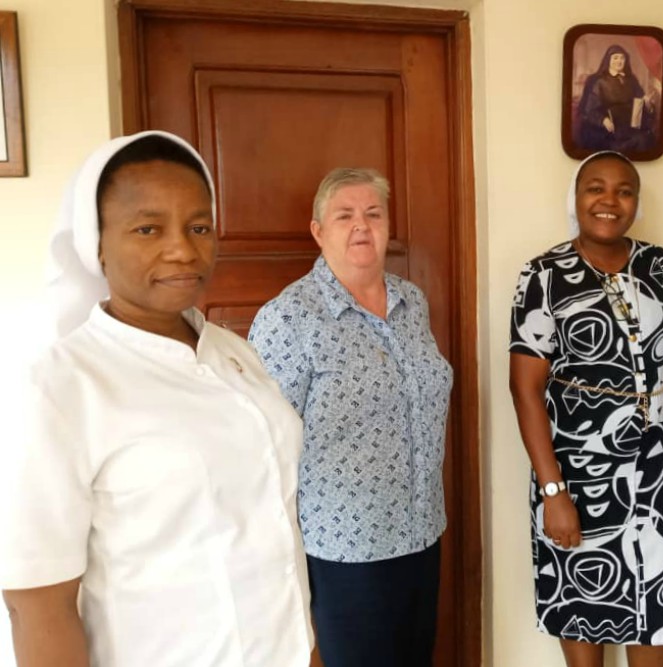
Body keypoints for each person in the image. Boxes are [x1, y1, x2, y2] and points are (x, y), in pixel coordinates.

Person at [0, 131, 314, 666]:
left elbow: (275, 532)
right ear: (95, 242)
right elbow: (38, 605)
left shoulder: (236, 355)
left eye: (199, 227)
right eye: (148, 228)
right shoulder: (61, 386)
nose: (183, 250)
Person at [508, 151, 663, 667]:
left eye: (624, 191)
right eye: (595, 188)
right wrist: (553, 491)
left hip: (656, 470)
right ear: (575, 200)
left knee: (654, 606)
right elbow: (524, 389)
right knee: (580, 603)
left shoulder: (661, 267)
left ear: (636, 203)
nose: (609, 201)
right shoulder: (543, 275)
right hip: (576, 474)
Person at [249, 167, 453, 667]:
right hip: (346, 549)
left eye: (373, 213)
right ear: (318, 231)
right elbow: (261, 444)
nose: (361, 225)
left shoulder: (412, 302)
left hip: (422, 532)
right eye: (344, 215)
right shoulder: (290, 316)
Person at [576, 45, 659, 154]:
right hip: (607, 129)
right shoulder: (596, 80)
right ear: (608, 60)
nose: (619, 61)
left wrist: (648, 104)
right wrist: (603, 120)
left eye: (622, 58)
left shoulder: (631, 79)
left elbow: (641, 102)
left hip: (630, 127)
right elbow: (588, 110)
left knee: (647, 139)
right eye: (615, 58)